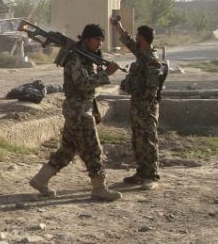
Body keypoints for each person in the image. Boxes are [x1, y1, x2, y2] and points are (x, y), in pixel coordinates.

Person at [29, 23, 122, 201]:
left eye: (102, 40)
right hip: (79, 112)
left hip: (80, 110)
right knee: (93, 150)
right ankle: (99, 188)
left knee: (67, 150)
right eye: (96, 39)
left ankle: (40, 179)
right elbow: (83, 84)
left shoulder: (87, 57)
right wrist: (106, 74)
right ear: (86, 39)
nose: (100, 43)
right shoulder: (76, 58)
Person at [111, 17, 162, 190]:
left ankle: (151, 176)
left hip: (145, 108)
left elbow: (152, 87)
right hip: (138, 107)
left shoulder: (151, 59)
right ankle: (141, 172)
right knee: (138, 140)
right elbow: (129, 42)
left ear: (143, 39)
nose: (135, 39)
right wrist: (118, 27)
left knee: (148, 141)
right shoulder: (143, 55)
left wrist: (142, 102)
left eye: (137, 37)